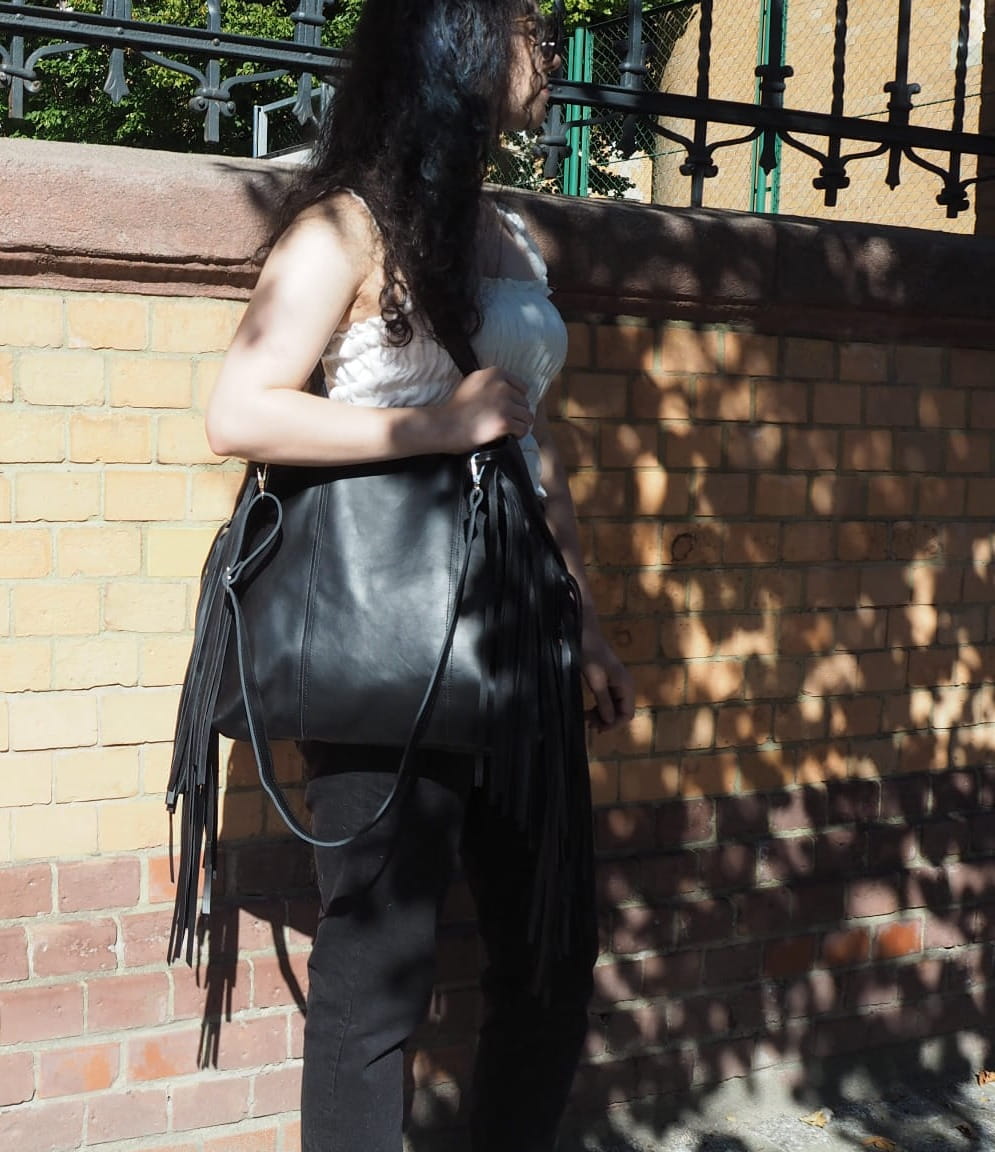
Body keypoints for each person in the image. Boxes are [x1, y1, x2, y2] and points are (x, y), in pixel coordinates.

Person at [205, 2, 634, 1149]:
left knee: (552, 948)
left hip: (518, 618)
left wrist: (585, 620)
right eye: (526, 22)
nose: (547, 48)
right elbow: (238, 411)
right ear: (456, 41)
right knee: (377, 971)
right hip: (384, 624)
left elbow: (531, 443)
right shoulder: (341, 229)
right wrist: (433, 428)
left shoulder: (509, 235)